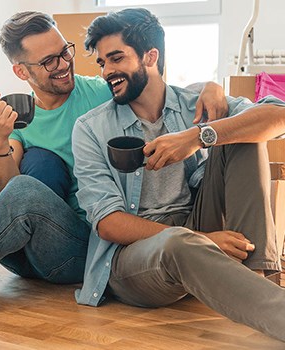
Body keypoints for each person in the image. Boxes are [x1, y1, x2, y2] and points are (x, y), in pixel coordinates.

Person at [0, 10, 226, 317]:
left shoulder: (102, 93)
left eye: (65, 51)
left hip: (77, 249)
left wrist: (210, 86)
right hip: (21, 247)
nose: (63, 65)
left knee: (27, 187)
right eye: (50, 61)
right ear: (22, 72)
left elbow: (155, 89)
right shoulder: (22, 118)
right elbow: (5, 195)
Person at [72, 8, 285, 342]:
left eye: (116, 58)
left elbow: (278, 115)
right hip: (134, 260)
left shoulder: (195, 105)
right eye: (102, 63)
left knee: (243, 135)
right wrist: (204, 241)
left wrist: (200, 136)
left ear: (150, 56)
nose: (106, 72)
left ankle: (257, 277)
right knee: (176, 242)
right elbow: (108, 223)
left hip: (197, 223)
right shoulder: (90, 129)